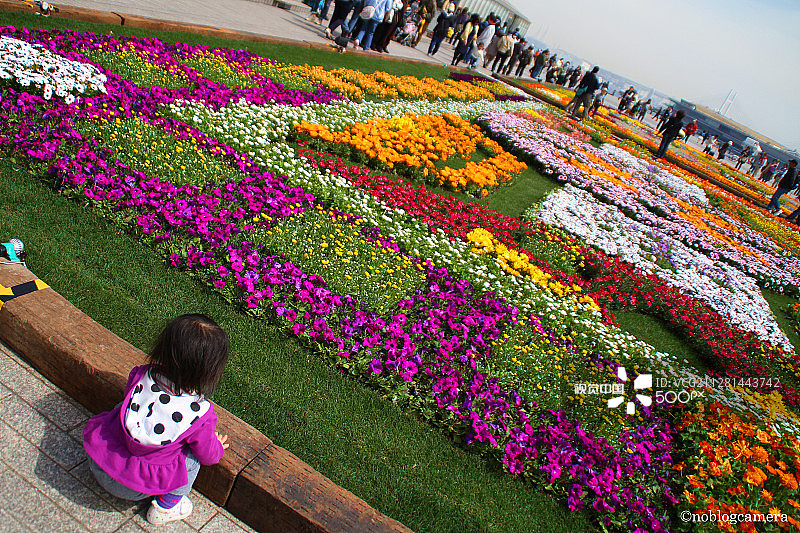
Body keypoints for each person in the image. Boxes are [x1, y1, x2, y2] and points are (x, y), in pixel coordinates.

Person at [83, 314, 230, 525]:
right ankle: (165, 507)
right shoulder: (199, 413)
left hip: (97, 461)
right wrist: (217, 448)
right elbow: (208, 456)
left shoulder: (142, 375)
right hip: (133, 489)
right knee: (192, 458)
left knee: (122, 408)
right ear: (210, 370)